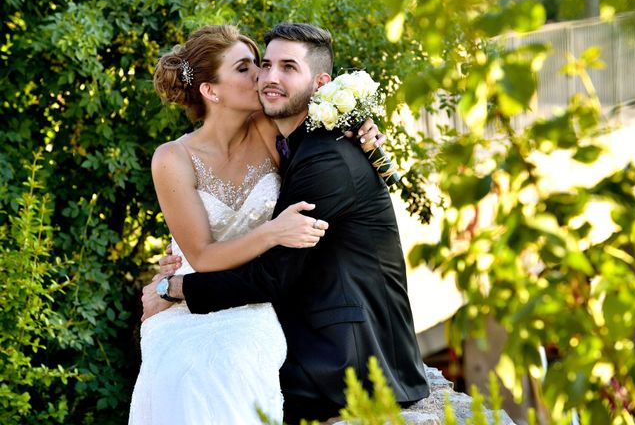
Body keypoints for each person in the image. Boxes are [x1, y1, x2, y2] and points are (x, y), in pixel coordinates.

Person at [142, 22, 429, 424]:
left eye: (270, 66)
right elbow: (205, 251)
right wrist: (171, 285)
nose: (264, 77)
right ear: (210, 90)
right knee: (182, 366)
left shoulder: (292, 138)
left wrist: (175, 289)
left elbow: (275, 274)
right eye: (252, 67)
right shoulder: (181, 155)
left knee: (232, 366)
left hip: (309, 326)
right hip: (231, 287)